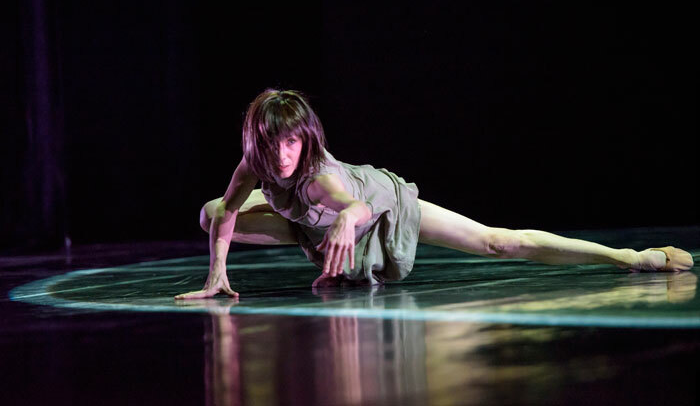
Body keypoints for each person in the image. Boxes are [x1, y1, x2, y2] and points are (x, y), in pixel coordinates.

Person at [175, 89, 694, 299]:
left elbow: (352, 204)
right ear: (258, 143)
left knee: (496, 242)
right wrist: (217, 273)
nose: (284, 155)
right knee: (210, 212)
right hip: (318, 216)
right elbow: (227, 212)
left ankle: (631, 257)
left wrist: (343, 219)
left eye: (293, 141)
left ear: (305, 140)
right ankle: (324, 242)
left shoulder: (316, 178)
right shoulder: (254, 164)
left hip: (378, 202)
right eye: (275, 143)